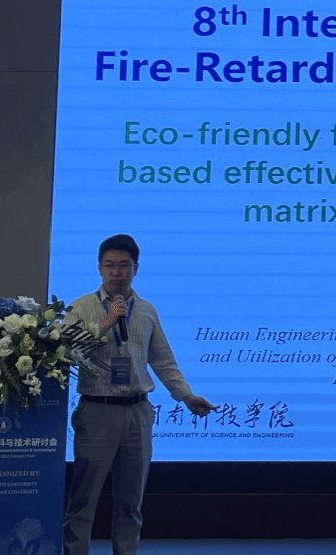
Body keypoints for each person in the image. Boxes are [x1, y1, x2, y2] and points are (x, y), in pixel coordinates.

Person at [62, 233, 214, 555]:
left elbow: (162, 360)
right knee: (83, 497)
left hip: (138, 413)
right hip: (97, 411)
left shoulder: (146, 310)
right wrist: (105, 323)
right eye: (109, 265)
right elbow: (68, 353)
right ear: (99, 268)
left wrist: (186, 396)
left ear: (136, 268)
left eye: (124, 265)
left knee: (131, 501)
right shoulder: (80, 307)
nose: (116, 272)